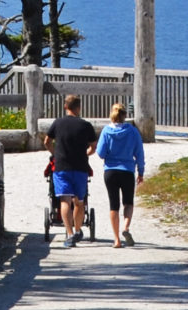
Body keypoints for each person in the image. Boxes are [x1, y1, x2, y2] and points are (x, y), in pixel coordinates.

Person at [46, 93, 99, 248]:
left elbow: (47, 141)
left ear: (65, 106)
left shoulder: (58, 123)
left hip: (62, 166)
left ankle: (69, 234)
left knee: (65, 201)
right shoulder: (85, 125)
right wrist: (86, 153)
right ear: (79, 108)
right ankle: (77, 230)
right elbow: (93, 146)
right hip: (80, 167)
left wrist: (54, 153)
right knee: (79, 202)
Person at [97, 101, 146, 247]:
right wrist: (141, 172)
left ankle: (116, 239)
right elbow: (139, 153)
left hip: (110, 171)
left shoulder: (106, 131)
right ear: (125, 115)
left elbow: (100, 153)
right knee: (128, 202)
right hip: (127, 170)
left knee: (114, 205)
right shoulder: (132, 131)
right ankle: (126, 227)